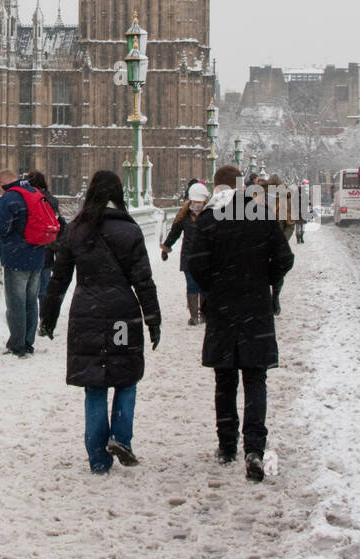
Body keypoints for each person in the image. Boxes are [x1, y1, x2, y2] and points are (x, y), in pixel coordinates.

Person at [38, 169, 161, 473]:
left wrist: (48, 317)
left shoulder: (75, 231)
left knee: (94, 385)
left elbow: (59, 280)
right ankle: (120, 436)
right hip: (122, 315)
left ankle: (97, 459)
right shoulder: (130, 231)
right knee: (126, 378)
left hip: (87, 312)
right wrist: (153, 318)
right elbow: (143, 281)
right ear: (118, 194)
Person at [187, 165, 294, 483]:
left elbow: (195, 263)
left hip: (221, 308)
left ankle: (227, 445)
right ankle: (254, 449)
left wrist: (212, 287)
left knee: (225, 379)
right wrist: (268, 282)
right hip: (255, 308)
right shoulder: (261, 215)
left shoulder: (209, 219)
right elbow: (285, 258)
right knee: (255, 378)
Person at [0, 169, 47, 356]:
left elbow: (0, 227)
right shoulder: (34, 192)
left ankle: (17, 345)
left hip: (17, 257)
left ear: (2, 183)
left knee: (16, 303)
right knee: (31, 302)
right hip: (38, 255)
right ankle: (28, 342)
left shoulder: (9, 198)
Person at [161, 181, 210, 324]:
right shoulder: (183, 216)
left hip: (206, 257)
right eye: (194, 201)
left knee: (205, 286)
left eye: (199, 202)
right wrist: (166, 248)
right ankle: (194, 315)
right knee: (192, 284)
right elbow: (174, 233)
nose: (197, 205)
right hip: (189, 257)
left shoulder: (210, 214)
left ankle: (205, 313)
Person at [25, 168, 66, 317]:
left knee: (28, 290)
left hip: (30, 250)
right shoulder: (52, 200)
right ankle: (44, 317)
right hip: (47, 250)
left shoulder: (26, 199)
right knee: (44, 289)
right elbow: (59, 226)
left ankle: (30, 320)